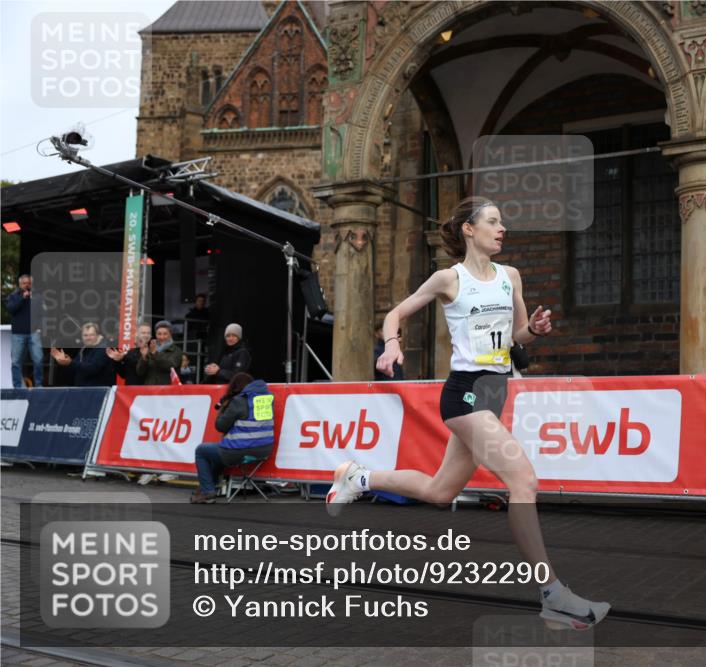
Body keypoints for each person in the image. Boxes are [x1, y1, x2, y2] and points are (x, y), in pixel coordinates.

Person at [327, 196, 610, 630]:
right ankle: (552, 593)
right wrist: (392, 344)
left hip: (495, 392)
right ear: (469, 229)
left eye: (502, 223)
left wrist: (532, 330)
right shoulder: (448, 278)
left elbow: (518, 337)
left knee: (441, 491)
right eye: (493, 222)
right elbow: (395, 314)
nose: (502, 229)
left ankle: (357, 477)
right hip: (464, 394)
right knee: (523, 478)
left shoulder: (510, 276)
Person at [191, 372, 274, 503]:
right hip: (264, 450)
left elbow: (220, 426)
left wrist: (224, 408)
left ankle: (207, 491)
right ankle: (207, 487)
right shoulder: (266, 399)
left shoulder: (238, 401)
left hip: (240, 451)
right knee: (218, 453)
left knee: (202, 450)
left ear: (234, 387)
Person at [6, 274, 44, 388]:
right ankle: (18, 386)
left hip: (34, 333)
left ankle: (38, 384)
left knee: (38, 359)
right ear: (20, 284)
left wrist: (40, 327)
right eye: (24, 283)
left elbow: (43, 313)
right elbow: (11, 309)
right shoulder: (14, 296)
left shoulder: (37, 297)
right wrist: (23, 298)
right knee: (16, 362)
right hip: (18, 334)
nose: (26, 285)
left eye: (29, 283)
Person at [51, 322, 115, 387]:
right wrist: (64, 360)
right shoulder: (83, 349)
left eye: (91, 335)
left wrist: (70, 363)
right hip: (84, 390)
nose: (88, 338)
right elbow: (76, 367)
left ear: (98, 336)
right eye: (85, 335)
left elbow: (92, 369)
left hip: (98, 392)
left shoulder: (103, 349)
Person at [136, 320, 183, 385]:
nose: (162, 337)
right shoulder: (151, 348)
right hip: (150, 391)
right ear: (155, 334)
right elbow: (139, 372)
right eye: (159, 334)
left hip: (167, 391)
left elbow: (171, 366)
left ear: (170, 334)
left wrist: (155, 354)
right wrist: (144, 358)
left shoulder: (176, 350)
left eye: (165, 334)